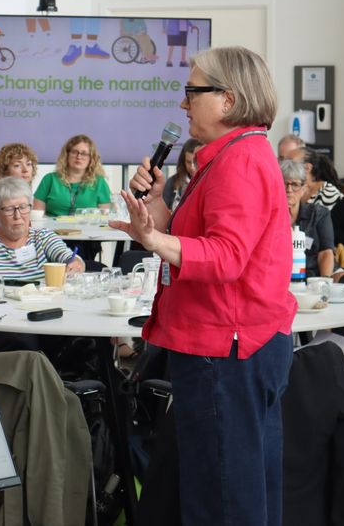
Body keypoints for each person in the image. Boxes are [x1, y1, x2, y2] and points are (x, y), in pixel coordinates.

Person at [111, 46, 295, 526]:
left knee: (223, 502)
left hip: (226, 349)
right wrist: (157, 214)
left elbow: (227, 258)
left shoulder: (240, 162)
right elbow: (203, 241)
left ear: (228, 101)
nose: (183, 103)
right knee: (240, 492)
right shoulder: (233, 156)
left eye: (193, 92)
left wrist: (152, 238)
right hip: (235, 344)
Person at [0, 177, 84, 280]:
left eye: (23, 207)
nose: (18, 215)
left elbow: (68, 256)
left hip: (40, 305)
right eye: (9, 209)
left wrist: (75, 263)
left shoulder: (42, 237)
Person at [33, 135, 112, 217]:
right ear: (67, 155)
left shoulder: (99, 182)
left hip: (87, 228)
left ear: (91, 158)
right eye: (74, 152)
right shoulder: (49, 179)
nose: (79, 157)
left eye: (84, 153)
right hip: (53, 229)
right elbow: (37, 217)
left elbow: (105, 218)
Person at [281, 159, 335, 277]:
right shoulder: (268, 217)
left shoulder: (318, 214)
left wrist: (324, 282)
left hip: (314, 276)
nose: (289, 190)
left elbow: (326, 252)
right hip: (281, 276)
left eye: (295, 185)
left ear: (304, 189)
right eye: (284, 184)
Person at [0, 143, 38, 232]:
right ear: (4, 171)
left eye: (29, 164)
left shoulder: (24, 197)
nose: (25, 170)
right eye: (17, 165)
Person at [161, 138, 201, 212]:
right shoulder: (172, 182)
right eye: (188, 162)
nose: (192, 167)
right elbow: (162, 211)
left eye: (195, 161)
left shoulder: (209, 182)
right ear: (183, 161)